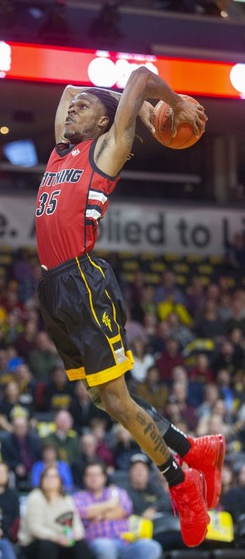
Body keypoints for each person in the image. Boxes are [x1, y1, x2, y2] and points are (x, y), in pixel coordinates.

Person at [34, 67, 224, 548]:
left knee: (116, 399)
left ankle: (183, 484)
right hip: (53, 287)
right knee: (102, 400)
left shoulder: (107, 149)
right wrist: (130, 102)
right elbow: (70, 89)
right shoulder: (63, 150)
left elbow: (141, 74)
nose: (74, 108)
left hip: (82, 281)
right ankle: (195, 449)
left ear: (106, 124)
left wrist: (167, 102)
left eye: (87, 110)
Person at [73, 460, 162, 559]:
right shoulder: (79, 497)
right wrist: (110, 504)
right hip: (99, 541)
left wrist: (100, 515)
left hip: (125, 542)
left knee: (151, 547)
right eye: (90, 475)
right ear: (85, 478)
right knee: (105, 547)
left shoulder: (116, 491)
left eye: (97, 475)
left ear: (104, 477)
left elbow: (125, 509)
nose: (94, 478)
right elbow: (83, 512)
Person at [18, 465, 89, 559]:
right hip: (36, 542)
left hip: (62, 540)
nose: (50, 479)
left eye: (54, 476)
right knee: (48, 546)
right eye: (47, 476)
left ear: (60, 480)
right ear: (41, 480)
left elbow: (76, 523)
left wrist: (76, 534)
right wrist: (56, 537)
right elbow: (35, 528)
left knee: (81, 545)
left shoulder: (67, 499)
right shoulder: (35, 497)